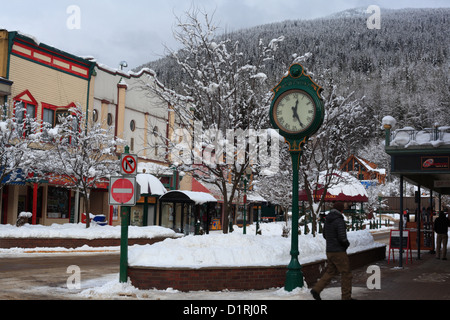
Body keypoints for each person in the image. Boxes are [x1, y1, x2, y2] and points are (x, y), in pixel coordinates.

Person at [311, 202, 353, 300]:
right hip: (339, 251)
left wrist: (331, 242)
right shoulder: (339, 220)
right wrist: (346, 245)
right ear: (341, 210)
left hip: (329, 250)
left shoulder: (328, 220)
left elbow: (325, 234)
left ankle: (316, 289)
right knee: (346, 273)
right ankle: (346, 297)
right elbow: (342, 238)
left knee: (330, 271)